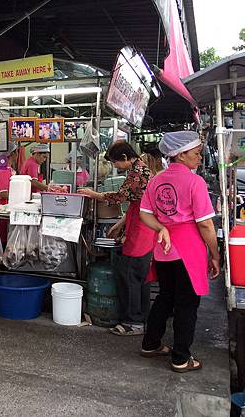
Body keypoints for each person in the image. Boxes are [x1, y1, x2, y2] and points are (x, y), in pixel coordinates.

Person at [139, 131, 220, 373]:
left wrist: (161, 227)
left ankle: (150, 344)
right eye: (195, 153)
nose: (199, 157)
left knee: (165, 296)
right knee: (186, 303)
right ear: (181, 155)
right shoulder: (195, 182)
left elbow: (145, 214)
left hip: (163, 250)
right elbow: (205, 224)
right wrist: (215, 255)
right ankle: (181, 358)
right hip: (188, 250)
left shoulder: (156, 180)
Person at [78, 141, 156, 336]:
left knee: (130, 273)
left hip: (142, 229)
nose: (115, 167)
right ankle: (140, 317)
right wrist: (121, 223)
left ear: (124, 158)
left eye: (115, 163)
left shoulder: (138, 172)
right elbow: (134, 201)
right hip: (138, 223)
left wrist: (93, 194)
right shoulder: (139, 170)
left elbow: (120, 197)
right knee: (138, 276)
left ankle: (133, 322)